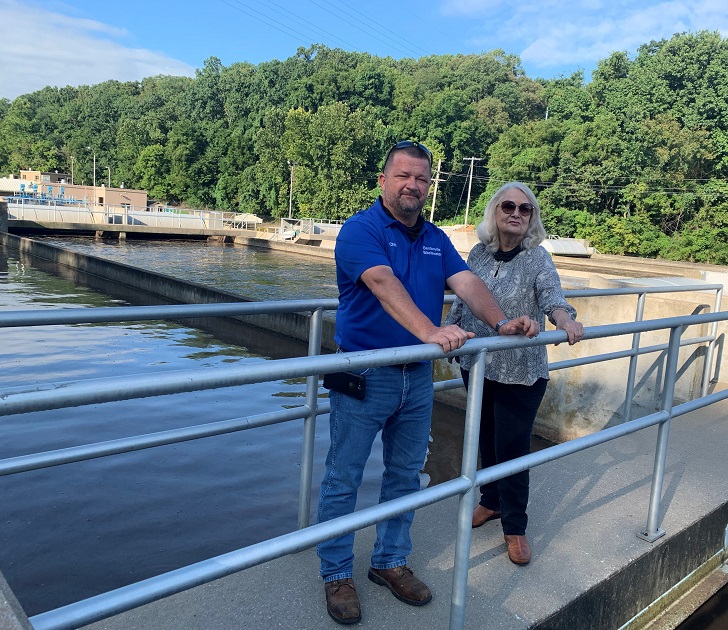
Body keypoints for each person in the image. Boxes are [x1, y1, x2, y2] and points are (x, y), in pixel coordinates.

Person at [317, 142, 539, 625]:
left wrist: (500, 323)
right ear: (383, 180)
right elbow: (381, 283)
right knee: (344, 477)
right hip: (363, 372)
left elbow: (467, 284)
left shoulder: (436, 238)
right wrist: (432, 332)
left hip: (415, 378)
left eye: (421, 178)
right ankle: (336, 573)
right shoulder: (360, 230)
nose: (412, 185)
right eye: (403, 176)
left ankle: (390, 562)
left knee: (405, 475)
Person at [444, 181, 584, 566]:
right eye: (509, 206)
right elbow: (463, 299)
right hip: (478, 366)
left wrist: (563, 318)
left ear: (532, 219)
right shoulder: (478, 253)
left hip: (521, 373)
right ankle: (490, 501)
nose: (517, 214)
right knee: (484, 440)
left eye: (526, 210)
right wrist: (449, 335)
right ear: (495, 212)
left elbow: (553, 296)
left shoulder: (537, 258)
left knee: (512, 448)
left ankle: (515, 527)